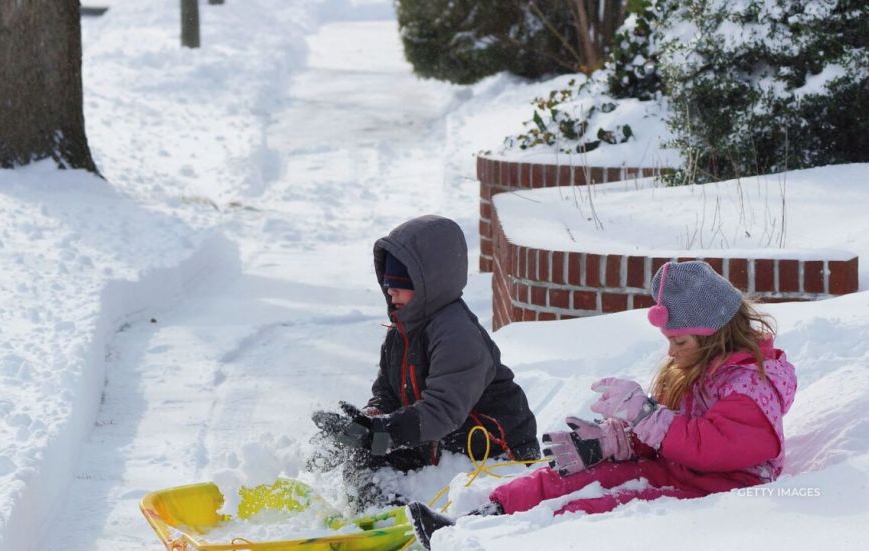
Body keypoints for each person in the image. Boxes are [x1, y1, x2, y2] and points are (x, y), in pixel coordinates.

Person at [406, 260, 797, 549]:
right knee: (570, 477)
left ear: (715, 338)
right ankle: (469, 523)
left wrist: (646, 415)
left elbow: (712, 449)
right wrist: (613, 443)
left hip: (717, 488)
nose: (671, 352)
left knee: (593, 505)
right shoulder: (692, 371)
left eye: (680, 342)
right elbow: (668, 434)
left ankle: (498, 541)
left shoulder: (751, 387)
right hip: (676, 467)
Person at [310, 214, 540, 511]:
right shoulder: (402, 330)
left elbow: (443, 410)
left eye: (400, 284)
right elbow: (388, 393)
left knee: (381, 448)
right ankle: (373, 514)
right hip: (438, 445)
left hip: (491, 454)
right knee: (366, 456)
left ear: (428, 284)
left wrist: (384, 432)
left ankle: (396, 514)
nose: (390, 290)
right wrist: (367, 422)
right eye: (388, 283)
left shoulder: (458, 335)